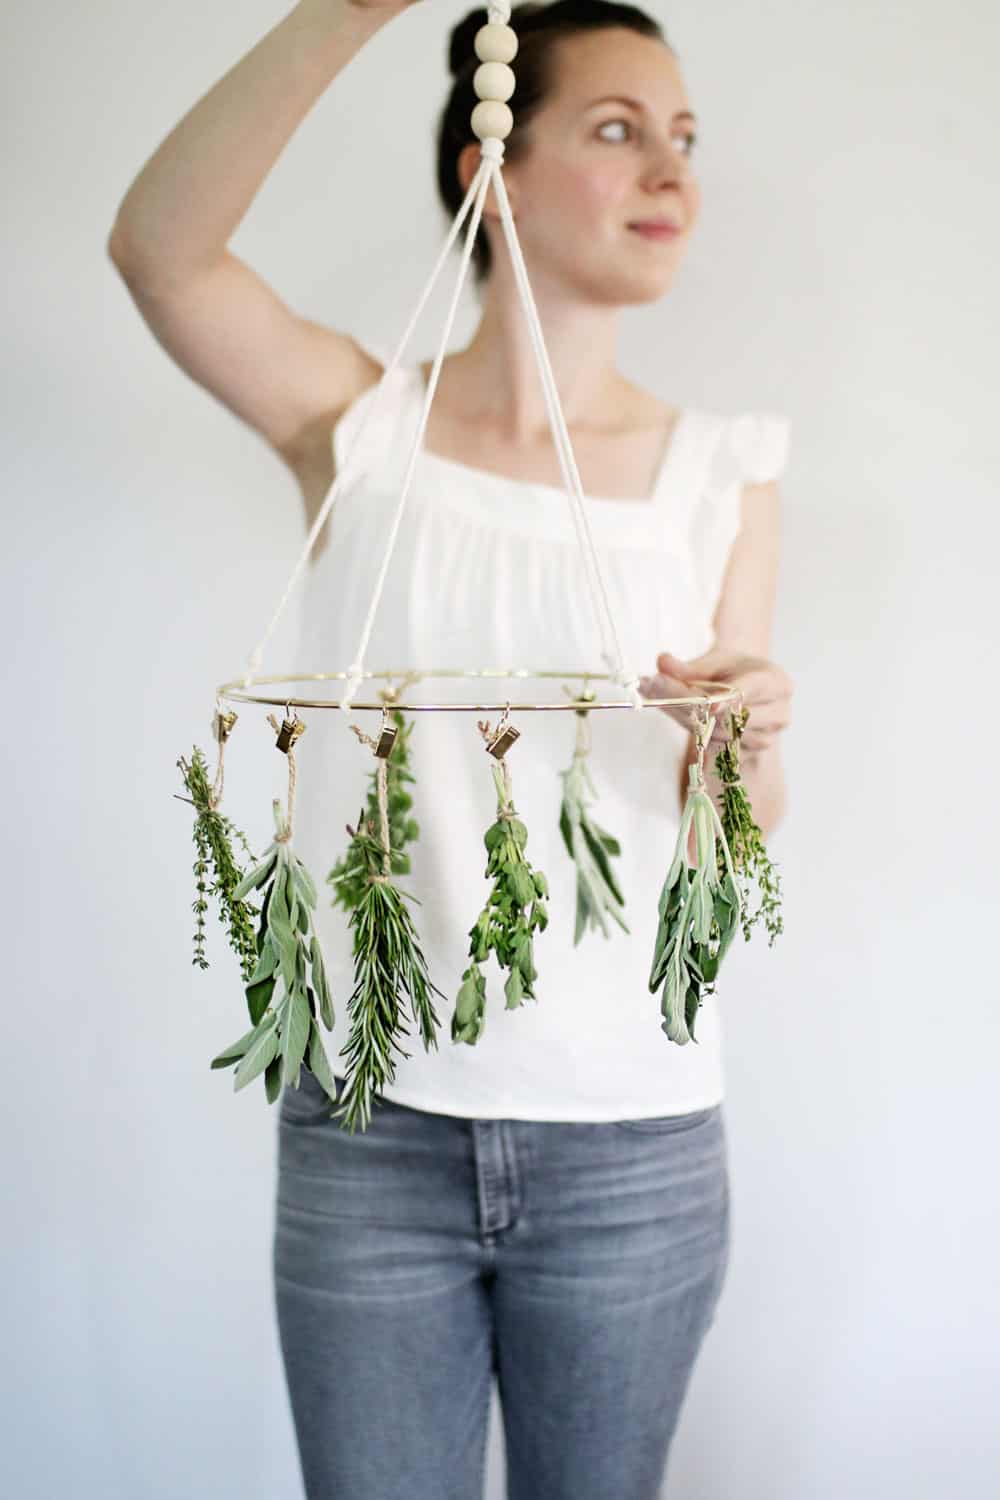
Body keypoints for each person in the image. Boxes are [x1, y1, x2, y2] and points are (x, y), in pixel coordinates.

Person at [109, 1, 794, 1495]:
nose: (670, 171)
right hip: (374, 1137)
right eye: (616, 130)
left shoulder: (719, 478)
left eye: (683, 139)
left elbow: (742, 829)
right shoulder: (357, 427)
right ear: (493, 169)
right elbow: (160, 253)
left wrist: (739, 743)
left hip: (631, 1148)